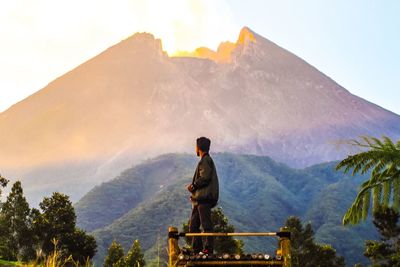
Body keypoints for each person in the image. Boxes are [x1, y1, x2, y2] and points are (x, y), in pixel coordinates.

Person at [187, 136, 219, 254]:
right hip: (199, 199)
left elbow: (205, 177)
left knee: (206, 225)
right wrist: (194, 193)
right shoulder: (206, 160)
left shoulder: (205, 160)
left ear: (198, 147)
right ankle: (197, 250)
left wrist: (193, 186)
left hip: (204, 198)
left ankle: (208, 249)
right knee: (193, 227)